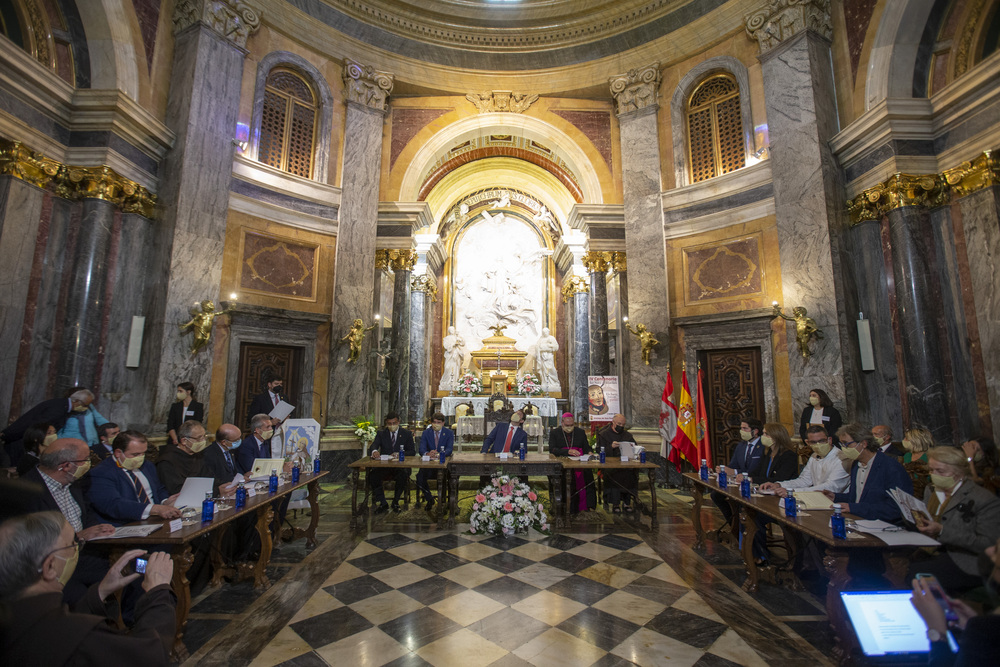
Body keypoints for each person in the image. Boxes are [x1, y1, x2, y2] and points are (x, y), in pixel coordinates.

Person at [0, 511, 177, 665]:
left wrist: (101, 591)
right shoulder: (81, 639)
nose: (77, 549)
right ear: (49, 567)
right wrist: (158, 591)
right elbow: (148, 657)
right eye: (73, 544)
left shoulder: (16, 616)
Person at [19, 439, 115, 604]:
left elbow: (86, 511)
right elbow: (30, 541)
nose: (89, 464)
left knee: (128, 571)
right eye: (86, 460)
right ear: (65, 466)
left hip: (85, 553)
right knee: (82, 596)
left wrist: (97, 529)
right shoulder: (25, 492)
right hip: (52, 565)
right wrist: (77, 537)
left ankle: (123, 623)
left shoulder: (74, 482)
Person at [905, 445, 1000, 594]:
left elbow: (987, 544)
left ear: (959, 472)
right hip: (933, 549)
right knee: (903, 564)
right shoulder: (932, 490)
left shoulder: (983, 499)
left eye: (940, 471)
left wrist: (942, 531)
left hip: (966, 559)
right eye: (931, 470)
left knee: (916, 573)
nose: (934, 475)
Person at [911, 537, 1000, 667]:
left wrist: (937, 633)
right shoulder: (985, 629)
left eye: (997, 549)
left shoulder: (986, 630)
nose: (989, 551)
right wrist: (970, 629)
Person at [821, 423, 913, 522]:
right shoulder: (856, 464)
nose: (844, 448)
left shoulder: (891, 467)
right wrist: (836, 497)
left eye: (846, 444)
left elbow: (896, 508)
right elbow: (859, 498)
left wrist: (854, 508)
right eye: (841, 444)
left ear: (863, 444)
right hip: (859, 520)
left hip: (883, 525)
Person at [87, 430, 181, 526]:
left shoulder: (147, 465)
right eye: (135, 454)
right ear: (118, 453)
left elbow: (159, 489)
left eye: (143, 453)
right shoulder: (101, 473)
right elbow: (113, 505)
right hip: (127, 524)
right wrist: (153, 509)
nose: (141, 458)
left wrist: (165, 501)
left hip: (157, 519)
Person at [746, 423, 799, 564]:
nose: (763, 437)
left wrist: (753, 479)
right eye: (763, 433)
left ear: (777, 437)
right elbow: (758, 473)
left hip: (783, 500)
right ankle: (759, 553)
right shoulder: (768, 453)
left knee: (754, 515)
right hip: (767, 497)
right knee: (749, 513)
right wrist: (745, 476)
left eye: (766, 434)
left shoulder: (789, 456)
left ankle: (763, 555)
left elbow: (779, 479)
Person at [1, 389, 87, 466]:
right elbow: (33, 426)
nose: (86, 408)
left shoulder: (62, 405)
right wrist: (7, 435)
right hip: (21, 442)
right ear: (76, 400)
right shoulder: (58, 409)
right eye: (85, 405)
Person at [761, 425, 850, 496]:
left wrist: (792, 491)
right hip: (817, 498)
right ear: (807, 443)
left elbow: (831, 487)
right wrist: (779, 485)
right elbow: (804, 480)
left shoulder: (842, 458)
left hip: (836, 501)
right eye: (813, 442)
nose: (818, 445)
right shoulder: (814, 455)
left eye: (822, 441)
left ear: (829, 440)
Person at [711, 417, 765, 532]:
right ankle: (735, 527)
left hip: (755, 483)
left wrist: (734, 472)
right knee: (716, 495)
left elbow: (755, 470)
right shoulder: (741, 446)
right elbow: (733, 465)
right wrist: (724, 470)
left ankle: (744, 530)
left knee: (739, 502)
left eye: (745, 428)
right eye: (741, 428)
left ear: (755, 431)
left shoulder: (763, 447)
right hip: (738, 482)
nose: (741, 431)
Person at [368, 413, 415, 513]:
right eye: (389, 423)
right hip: (385, 466)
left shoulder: (406, 434)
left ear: (398, 422)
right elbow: (373, 446)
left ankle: (396, 501)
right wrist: (374, 451)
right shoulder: (381, 433)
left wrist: (400, 454)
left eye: (394, 423)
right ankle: (383, 502)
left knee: (403, 475)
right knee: (373, 475)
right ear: (386, 423)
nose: (392, 425)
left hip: (401, 466)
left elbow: (412, 452)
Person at [549, 412, 595, 512]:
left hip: (579, 462)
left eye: (571, 425)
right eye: (567, 425)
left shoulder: (580, 432)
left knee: (587, 474)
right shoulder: (554, 433)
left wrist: (590, 452)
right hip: (562, 462)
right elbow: (552, 450)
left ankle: (585, 505)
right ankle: (563, 504)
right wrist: (568, 451)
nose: (569, 427)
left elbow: (586, 447)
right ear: (562, 423)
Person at [595, 413, 639, 514]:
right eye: (619, 424)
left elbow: (635, 446)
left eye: (623, 424)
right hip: (610, 464)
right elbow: (599, 450)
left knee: (630, 474)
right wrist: (611, 447)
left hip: (626, 463)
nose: (621, 426)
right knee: (615, 475)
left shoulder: (627, 435)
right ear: (613, 423)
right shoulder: (604, 434)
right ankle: (615, 503)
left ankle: (627, 503)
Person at [156, 420, 209, 495]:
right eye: (199, 438)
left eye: (204, 436)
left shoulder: (199, 455)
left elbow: (209, 477)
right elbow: (175, 489)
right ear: (184, 441)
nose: (203, 441)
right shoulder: (167, 461)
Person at [417, 413, 453, 512]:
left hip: (443, 465)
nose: (435, 424)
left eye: (438, 422)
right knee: (419, 477)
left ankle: (444, 501)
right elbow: (421, 449)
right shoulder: (426, 433)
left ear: (443, 423)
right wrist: (427, 453)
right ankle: (429, 499)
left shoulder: (449, 433)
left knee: (446, 477)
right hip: (429, 465)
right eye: (434, 422)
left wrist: (439, 454)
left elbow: (450, 449)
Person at [202, 424, 246, 495]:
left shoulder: (230, 449)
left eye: (239, 438)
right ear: (224, 442)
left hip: (233, 490)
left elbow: (233, 472)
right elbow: (212, 479)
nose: (239, 441)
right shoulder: (209, 454)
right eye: (236, 440)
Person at [166, 382, 203, 447]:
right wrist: (175, 439)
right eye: (178, 391)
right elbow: (170, 424)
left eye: (180, 391)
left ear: (188, 392)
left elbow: (197, 424)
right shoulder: (175, 406)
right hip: (174, 440)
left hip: (190, 440)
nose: (178, 393)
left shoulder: (198, 406)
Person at [439, 326, 466, 391]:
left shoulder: (457, 337)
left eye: (453, 329)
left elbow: (463, 344)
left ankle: (454, 382)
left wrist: (460, 339)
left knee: (456, 368)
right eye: (450, 330)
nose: (452, 331)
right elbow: (446, 346)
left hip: (456, 354)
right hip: (450, 355)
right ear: (449, 331)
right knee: (448, 367)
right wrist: (453, 344)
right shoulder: (446, 338)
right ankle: (447, 383)